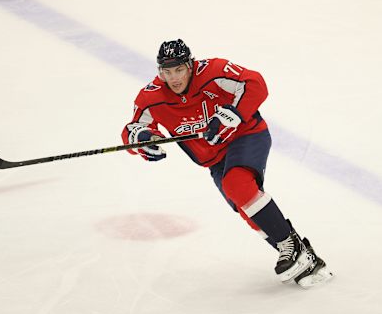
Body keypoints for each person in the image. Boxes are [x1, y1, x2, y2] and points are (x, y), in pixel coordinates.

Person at [121, 39, 333, 288]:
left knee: (237, 184)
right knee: (244, 206)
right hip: (214, 159)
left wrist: (232, 113)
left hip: (246, 136)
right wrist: (144, 140)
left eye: (179, 69)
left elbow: (255, 83)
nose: (174, 78)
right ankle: (302, 259)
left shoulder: (213, 72)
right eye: (167, 72)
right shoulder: (152, 97)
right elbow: (132, 130)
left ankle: (292, 246)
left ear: (190, 65)